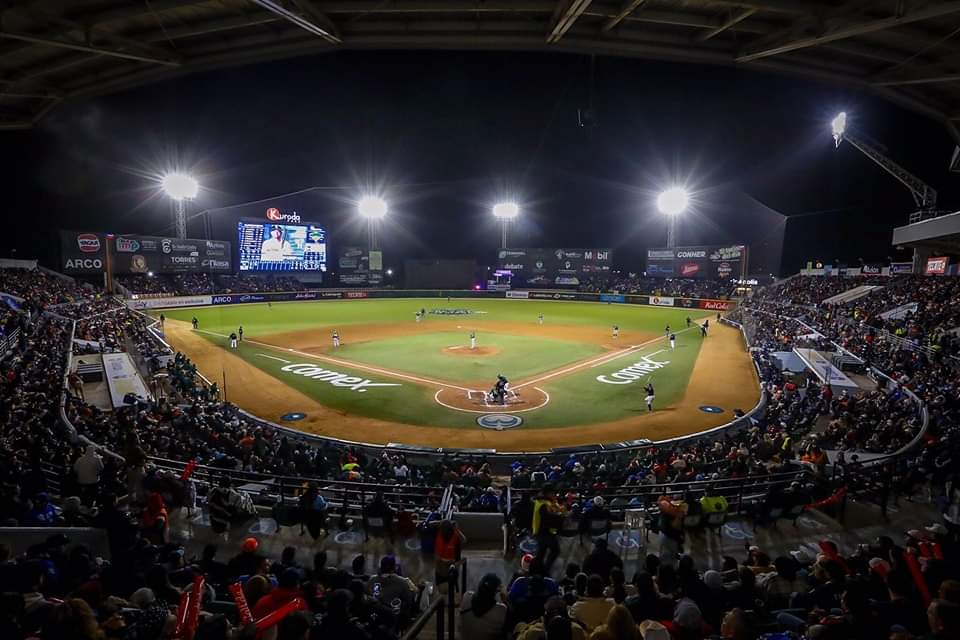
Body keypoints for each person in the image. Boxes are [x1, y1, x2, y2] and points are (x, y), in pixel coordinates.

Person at [460, 573, 508, 640]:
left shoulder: (466, 596)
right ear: (496, 591)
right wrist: (505, 600)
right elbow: (509, 623)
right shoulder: (501, 610)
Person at [532, 484, 565, 572]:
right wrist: (559, 518)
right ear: (548, 493)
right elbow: (547, 519)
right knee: (555, 550)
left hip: (540, 531)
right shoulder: (544, 504)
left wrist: (557, 507)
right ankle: (545, 569)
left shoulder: (542, 501)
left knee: (541, 552)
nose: (555, 495)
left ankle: (537, 570)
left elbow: (553, 510)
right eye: (553, 493)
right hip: (545, 532)